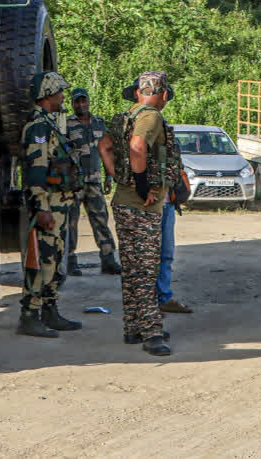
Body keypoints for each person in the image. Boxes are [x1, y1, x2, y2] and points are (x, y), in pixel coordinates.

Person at [98, 71, 175, 356]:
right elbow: (138, 147)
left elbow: (104, 146)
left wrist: (120, 177)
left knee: (131, 268)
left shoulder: (124, 117)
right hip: (142, 207)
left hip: (122, 202)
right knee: (145, 270)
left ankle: (133, 326)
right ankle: (152, 331)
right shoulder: (151, 117)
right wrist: (142, 187)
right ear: (163, 94)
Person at [17, 71, 83, 338]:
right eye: (59, 93)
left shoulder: (50, 123)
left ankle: (49, 309)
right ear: (47, 96)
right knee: (42, 260)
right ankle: (30, 314)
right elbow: (36, 170)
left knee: (55, 260)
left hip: (61, 203)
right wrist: (42, 207)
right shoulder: (38, 128)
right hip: (49, 205)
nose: (62, 97)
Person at [64, 88, 122, 276]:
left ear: (88, 102)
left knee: (101, 221)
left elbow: (107, 151)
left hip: (95, 181)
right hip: (75, 183)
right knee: (70, 223)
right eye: (77, 102)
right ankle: (70, 261)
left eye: (83, 101)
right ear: (72, 104)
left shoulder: (99, 123)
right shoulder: (66, 125)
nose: (81, 105)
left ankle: (108, 260)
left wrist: (109, 176)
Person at [157, 107, 192, 315]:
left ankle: (163, 296)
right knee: (148, 256)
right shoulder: (140, 143)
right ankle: (147, 301)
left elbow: (176, 170)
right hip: (150, 206)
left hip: (167, 204)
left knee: (167, 254)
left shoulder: (171, 145)